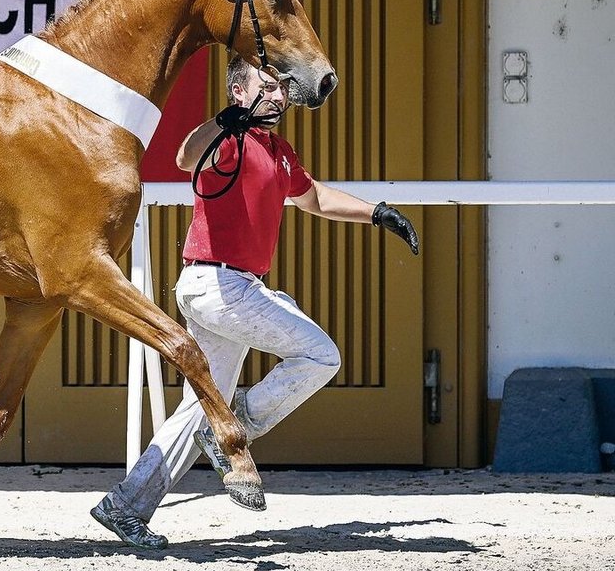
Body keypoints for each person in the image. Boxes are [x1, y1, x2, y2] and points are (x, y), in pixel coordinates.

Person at [90, 55, 420, 549]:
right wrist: (223, 121)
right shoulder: (227, 140)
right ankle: (238, 425)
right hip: (219, 286)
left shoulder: (278, 150)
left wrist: (378, 213)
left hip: (227, 290)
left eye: (282, 87)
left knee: (200, 409)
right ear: (239, 92)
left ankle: (126, 504)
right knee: (320, 355)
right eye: (267, 86)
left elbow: (314, 198)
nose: (279, 94)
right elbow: (185, 158)